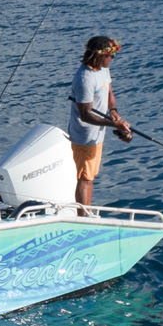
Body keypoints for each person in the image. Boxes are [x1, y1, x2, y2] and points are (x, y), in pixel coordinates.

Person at [68, 35, 131, 208]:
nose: (112, 59)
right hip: (85, 135)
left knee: (91, 176)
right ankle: (83, 218)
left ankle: (86, 212)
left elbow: (109, 92)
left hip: (98, 132)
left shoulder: (103, 69)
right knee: (85, 178)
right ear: (99, 55)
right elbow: (85, 114)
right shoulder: (84, 79)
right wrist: (113, 124)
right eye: (111, 55)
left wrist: (114, 112)